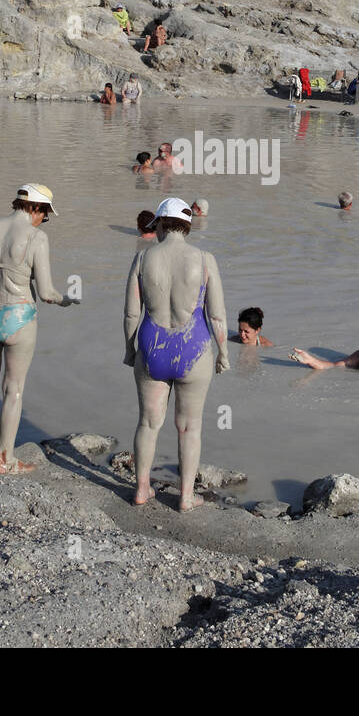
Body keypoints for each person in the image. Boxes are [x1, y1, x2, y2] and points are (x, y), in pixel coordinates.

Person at [0, 184, 76, 474]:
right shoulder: (37, 237)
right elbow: (46, 292)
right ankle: (4, 460)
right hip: (18, 317)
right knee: (13, 390)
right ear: (37, 208)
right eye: (45, 214)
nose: (43, 220)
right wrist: (67, 301)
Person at [124, 197, 228, 512]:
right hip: (194, 349)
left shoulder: (142, 259)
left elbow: (131, 314)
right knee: (189, 426)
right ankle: (185, 497)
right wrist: (223, 353)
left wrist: (129, 350)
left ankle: (142, 489)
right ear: (187, 226)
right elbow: (218, 315)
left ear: (159, 225)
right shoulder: (205, 259)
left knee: (148, 423)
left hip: (152, 345)